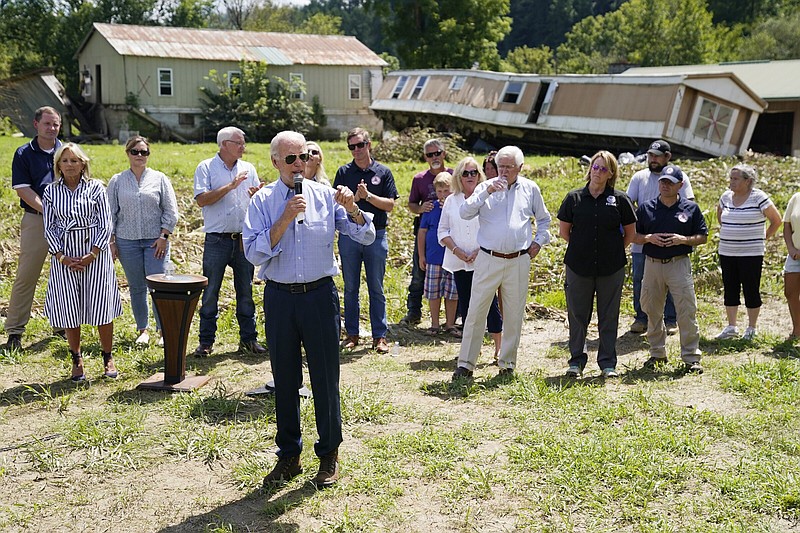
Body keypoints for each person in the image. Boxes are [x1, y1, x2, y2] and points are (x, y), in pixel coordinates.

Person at [243, 130, 375, 489]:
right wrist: (284, 219)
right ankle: (288, 456)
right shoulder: (263, 201)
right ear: (275, 162)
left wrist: (353, 209)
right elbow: (253, 252)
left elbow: (365, 235)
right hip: (281, 297)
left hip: (319, 297)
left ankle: (329, 454)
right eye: (291, 159)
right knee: (285, 380)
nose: (299, 165)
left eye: (303, 157)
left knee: (325, 378)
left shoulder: (325, 196)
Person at [452, 146, 551, 380]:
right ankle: (466, 364)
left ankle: (507, 364)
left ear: (520, 167)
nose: (504, 171)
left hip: (518, 259)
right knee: (476, 311)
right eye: (501, 166)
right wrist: (486, 192)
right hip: (488, 258)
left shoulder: (530, 189)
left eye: (509, 167)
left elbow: (544, 220)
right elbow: (465, 212)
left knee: (514, 313)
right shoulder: (484, 187)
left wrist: (538, 242)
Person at [42, 143, 122, 381]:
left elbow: (105, 222)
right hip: (64, 257)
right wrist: (61, 256)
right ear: (58, 165)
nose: (69, 165)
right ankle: (76, 358)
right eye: (65, 161)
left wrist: (93, 253)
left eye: (74, 160)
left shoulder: (96, 188)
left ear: (83, 164)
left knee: (100, 306)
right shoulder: (50, 192)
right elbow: (48, 227)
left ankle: (107, 356)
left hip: (94, 255)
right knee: (69, 309)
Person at [557, 151, 636, 378]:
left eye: (603, 169)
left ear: (611, 173)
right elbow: (564, 231)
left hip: (611, 267)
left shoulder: (620, 200)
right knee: (578, 315)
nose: (598, 172)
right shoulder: (574, 198)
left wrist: (611, 250)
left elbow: (630, 234)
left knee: (609, 315)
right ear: (589, 168)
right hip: (578, 266)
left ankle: (607, 363)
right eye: (595, 167)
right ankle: (576, 361)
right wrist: (582, 248)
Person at [193, 126, 267, 357]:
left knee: (245, 291)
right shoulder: (206, 167)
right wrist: (231, 186)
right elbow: (202, 200)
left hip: (243, 239)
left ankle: (249, 339)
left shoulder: (249, 168)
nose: (243, 147)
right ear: (224, 144)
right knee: (210, 291)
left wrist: (256, 195)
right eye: (239, 143)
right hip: (217, 240)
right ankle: (206, 342)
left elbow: (254, 203)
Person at [634, 164, 707, 374]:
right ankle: (657, 353)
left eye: (670, 183)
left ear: (680, 186)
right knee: (652, 310)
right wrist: (649, 238)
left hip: (678, 263)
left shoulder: (690, 209)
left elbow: (702, 236)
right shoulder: (646, 209)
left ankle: (691, 357)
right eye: (662, 182)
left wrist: (683, 240)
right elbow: (633, 236)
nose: (665, 186)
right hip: (652, 264)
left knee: (686, 310)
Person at [108, 136, 179, 346]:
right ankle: (143, 329)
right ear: (127, 153)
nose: (140, 156)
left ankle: (163, 330)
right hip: (126, 241)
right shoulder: (117, 181)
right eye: (135, 152)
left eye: (144, 152)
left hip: (155, 241)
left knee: (158, 285)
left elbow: (171, 211)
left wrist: (164, 236)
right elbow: (109, 213)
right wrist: (111, 242)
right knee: (137, 287)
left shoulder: (160, 179)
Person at [333, 127, 399, 354]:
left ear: (369, 144)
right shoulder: (343, 172)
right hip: (350, 235)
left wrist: (367, 196)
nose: (357, 150)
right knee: (351, 287)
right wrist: (354, 199)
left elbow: (390, 205)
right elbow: (337, 203)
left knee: (376, 287)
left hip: (377, 234)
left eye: (360, 145)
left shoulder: (383, 171)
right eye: (352, 147)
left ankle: (379, 336)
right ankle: (352, 334)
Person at [4, 106, 64, 350]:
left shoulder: (66, 151)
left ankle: (63, 324)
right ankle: (15, 331)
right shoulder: (24, 153)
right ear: (36, 124)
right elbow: (23, 189)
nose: (52, 128)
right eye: (47, 123)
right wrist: (48, 209)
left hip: (66, 222)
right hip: (36, 219)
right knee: (27, 276)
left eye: (56, 124)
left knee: (64, 275)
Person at [626, 140, 695, 335]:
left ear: (667, 157)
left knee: (672, 282)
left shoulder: (680, 177)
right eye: (650, 155)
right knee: (640, 280)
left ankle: (670, 319)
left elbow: (689, 205)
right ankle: (641, 318)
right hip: (643, 241)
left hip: (672, 241)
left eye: (657, 156)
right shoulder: (639, 177)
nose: (653, 159)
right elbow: (629, 204)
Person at [438, 157, 503, 360]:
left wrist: (478, 251)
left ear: (480, 175)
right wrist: (457, 251)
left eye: (474, 172)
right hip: (459, 261)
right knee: (466, 305)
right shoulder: (451, 200)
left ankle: (499, 347)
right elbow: (442, 231)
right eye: (465, 173)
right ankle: (470, 349)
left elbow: (495, 230)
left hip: (483, 259)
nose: (470, 177)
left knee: (490, 304)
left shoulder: (488, 197)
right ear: (458, 177)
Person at [715, 164, 782, 340]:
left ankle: (751, 328)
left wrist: (763, 238)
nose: (731, 182)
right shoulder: (726, 197)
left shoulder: (758, 197)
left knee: (751, 288)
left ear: (748, 181)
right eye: (731, 178)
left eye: (736, 178)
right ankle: (731, 326)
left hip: (751, 253)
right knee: (730, 288)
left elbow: (776, 220)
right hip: (727, 251)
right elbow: (720, 216)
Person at [400, 139, 453, 326]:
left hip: (452, 234)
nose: (434, 157)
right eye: (430, 155)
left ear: (444, 154)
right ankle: (414, 312)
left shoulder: (454, 175)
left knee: (452, 276)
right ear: (425, 158)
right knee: (418, 273)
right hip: (426, 232)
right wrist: (422, 209)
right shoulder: (419, 179)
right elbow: (412, 204)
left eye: (437, 153)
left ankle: (453, 318)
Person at [418, 172, 459, 335]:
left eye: (446, 191)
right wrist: (422, 255)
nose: (443, 195)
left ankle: (450, 324)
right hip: (433, 257)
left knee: (452, 293)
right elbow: (422, 232)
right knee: (433, 292)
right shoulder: (431, 208)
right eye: (440, 191)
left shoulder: (457, 207)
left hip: (453, 257)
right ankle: (434, 324)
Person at [784, 191, 800, 340]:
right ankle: (797, 329)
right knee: (790, 292)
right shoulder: (796, 198)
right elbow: (787, 225)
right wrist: (791, 248)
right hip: (795, 254)